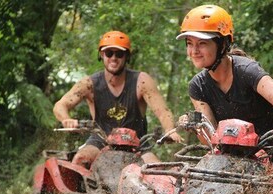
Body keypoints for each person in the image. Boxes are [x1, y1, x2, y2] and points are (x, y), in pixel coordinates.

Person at [176, 5, 273, 181]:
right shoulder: (197, 86)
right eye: (189, 44)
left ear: (222, 44)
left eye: (202, 43)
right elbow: (211, 139)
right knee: (195, 185)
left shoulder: (247, 70)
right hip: (234, 158)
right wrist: (196, 126)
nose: (194, 51)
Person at [53, 30, 182, 167]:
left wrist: (169, 130)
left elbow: (163, 111)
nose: (114, 58)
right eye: (109, 53)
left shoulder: (142, 82)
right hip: (100, 140)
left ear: (127, 56)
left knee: (157, 171)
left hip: (138, 143)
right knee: (80, 159)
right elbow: (60, 105)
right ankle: (70, 189)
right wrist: (66, 119)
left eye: (119, 54)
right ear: (102, 55)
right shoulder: (89, 84)